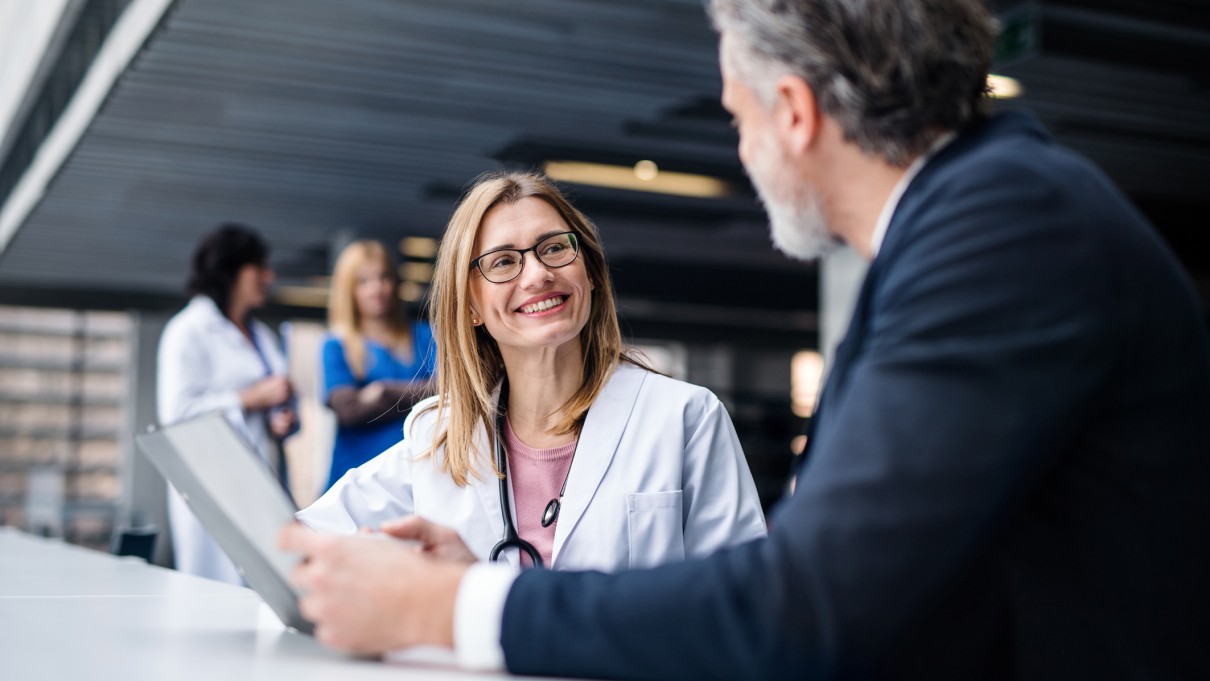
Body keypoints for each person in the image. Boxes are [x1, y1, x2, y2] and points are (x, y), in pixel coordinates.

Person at [280, 0, 1210, 677]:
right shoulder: (968, 223)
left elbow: (809, 601)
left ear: (795, 113)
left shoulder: (1005, 230)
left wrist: (456, 605)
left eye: (737, 114)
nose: (739, 147)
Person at [295, 171, 766, 575]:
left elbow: (746, 605)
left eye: (555, 248)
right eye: (503, 261)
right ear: (472, 305)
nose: (537, 274)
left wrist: (484, 593)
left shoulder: (685, 417)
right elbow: (299, 543)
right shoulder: (438, 434)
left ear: (591, 274)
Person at [159, 223, 296, 584]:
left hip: (259, 477)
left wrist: (279, 418)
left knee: (266, 586)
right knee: (213, 589)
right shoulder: (188, 331)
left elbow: (273, 403)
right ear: (231, 271)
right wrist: (250, 399)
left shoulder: (262, 335)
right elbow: (176, 415)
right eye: (260, 268)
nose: (270, 276)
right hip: (210, 480)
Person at [321, 239, 435, 492]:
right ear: (348, 289)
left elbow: (449, 389)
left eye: (384, 277)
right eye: (363, 282)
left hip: (417, 475)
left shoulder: (425, 336)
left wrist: (382, 392)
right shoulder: (336, 345)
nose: (377, 288)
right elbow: (349, 410)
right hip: (357, 478)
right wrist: (419, 393)